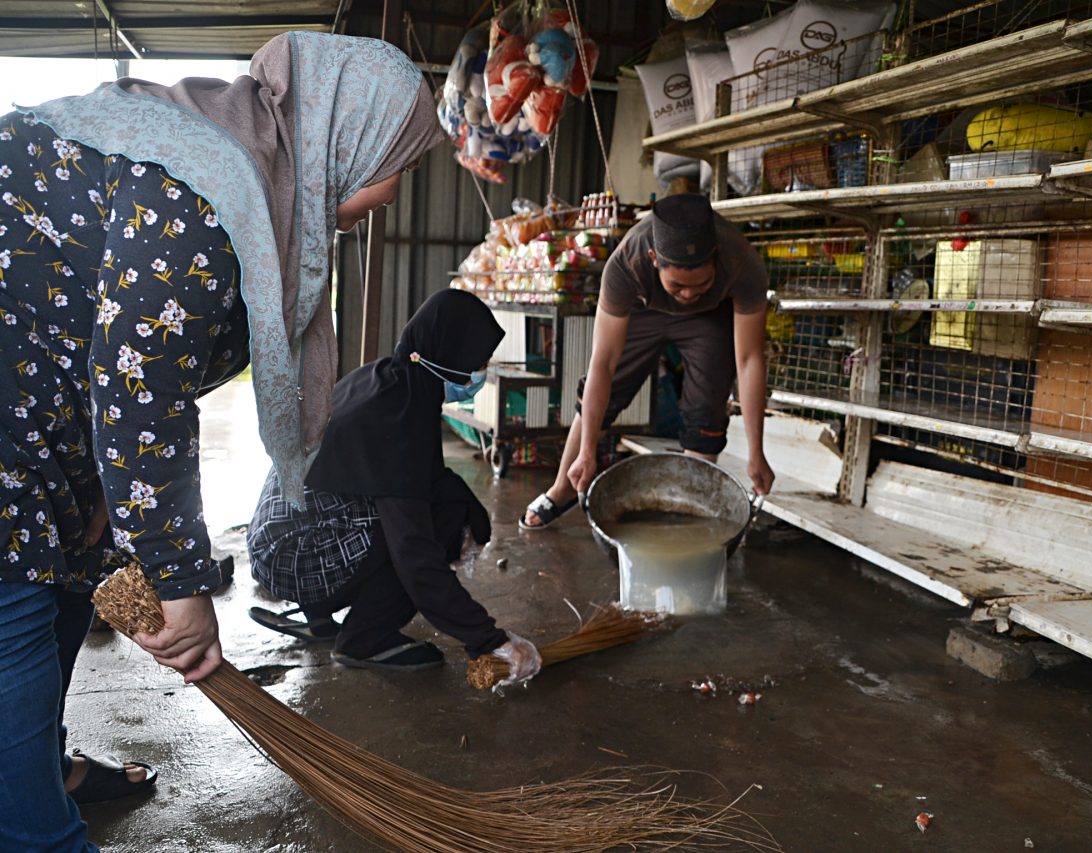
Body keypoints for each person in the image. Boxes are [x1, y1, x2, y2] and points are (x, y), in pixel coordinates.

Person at [0, 32, 441, 853]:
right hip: (11, 431)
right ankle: (34, 828)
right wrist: (182, 585)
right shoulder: (198, 184)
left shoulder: (248, 175)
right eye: (398, 163)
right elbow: (140, 394)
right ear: (341, 136)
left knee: (62, 572)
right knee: (13, 608)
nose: (390, 190)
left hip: (37, 411)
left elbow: (114, 357)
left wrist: (100, 497)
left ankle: (44, 765)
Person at [245, 289, 542, 683]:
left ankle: (319, 618)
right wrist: (489, 640)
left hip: (278, 539)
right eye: (478, 361)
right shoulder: (400, 416)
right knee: (429, 529)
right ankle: (362, 640)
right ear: (450, 354)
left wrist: (475, 517)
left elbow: (428, 477)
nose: (480, 373)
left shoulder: (391, 379)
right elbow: (416, 557)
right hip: (292, 559)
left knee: (438, 505)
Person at [520, 192, 775, 530]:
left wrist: (756, 451)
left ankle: (688, 509)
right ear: (655, 258)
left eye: (701, 282)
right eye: (679, 285)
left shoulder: (742, 261)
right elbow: (603, 361)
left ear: (716, 257)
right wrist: (587, 452)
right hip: (644, 309)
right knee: (605, 390)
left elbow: (749, 359)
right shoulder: (627, 261)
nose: (687, 294)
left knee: (707, 406)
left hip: (710, 316)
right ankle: (563, 487)